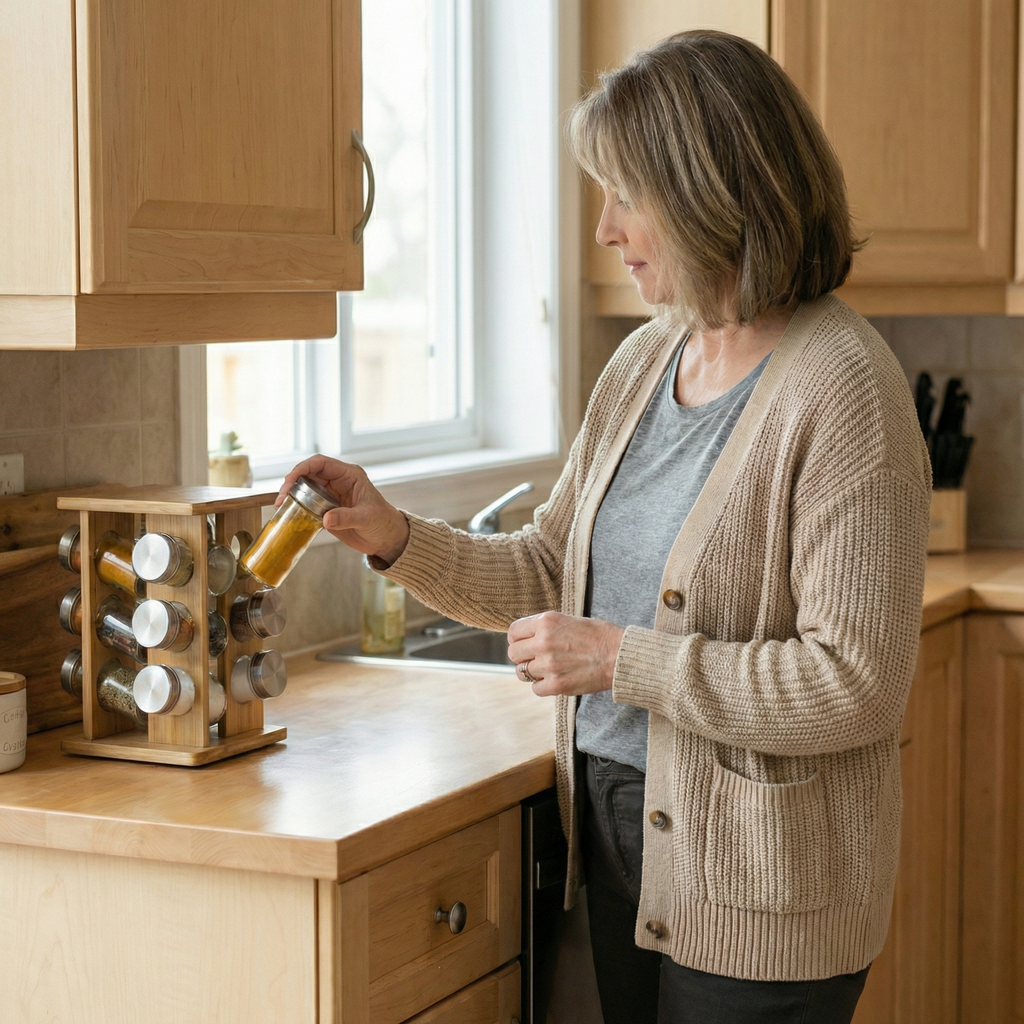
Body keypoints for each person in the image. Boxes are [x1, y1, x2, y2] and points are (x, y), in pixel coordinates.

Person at [279, 30, 930, 1024]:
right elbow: (552, 566)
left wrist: (624, 660)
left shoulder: (844, 390)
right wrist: (396, 536)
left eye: (626, 195)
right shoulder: (642, 363)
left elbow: (854, 685)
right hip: (627, 849)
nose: (604, 228)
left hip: (763, 890)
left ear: (706, 192)